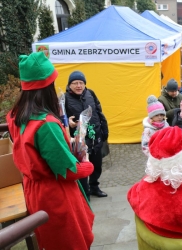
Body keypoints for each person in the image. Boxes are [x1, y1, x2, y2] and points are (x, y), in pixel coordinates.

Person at [6, 52, 94, 249]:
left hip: (33, 190)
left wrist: (63, 142)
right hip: (55, 193)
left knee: (50, 240)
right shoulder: (45, 124)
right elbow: (68, 171)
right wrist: (87, 164)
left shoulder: (14, 115)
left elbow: (34, 151)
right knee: (70, 242)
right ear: (47, 86)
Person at [65, 70, 109, 199]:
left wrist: (104, 130)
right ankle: (84, 192)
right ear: (70, 85)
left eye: (81, 83)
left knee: (97, 164)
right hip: (79, 139)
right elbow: (60, 118)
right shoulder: (65, 99)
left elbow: (99, 112)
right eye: (75, 83)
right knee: (83, 165)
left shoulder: (90, 94)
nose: (78, 86)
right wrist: (69, 122)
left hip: (95, 135)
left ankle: (94, 186)